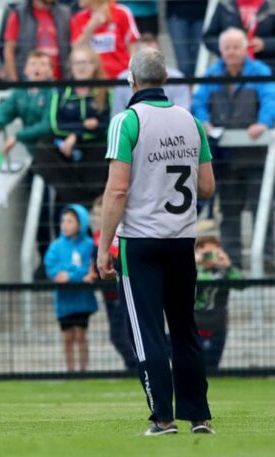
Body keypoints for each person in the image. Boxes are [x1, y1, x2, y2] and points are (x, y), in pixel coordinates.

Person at [97, 47, 216, 435]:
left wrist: (103, 248)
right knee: (184, 327)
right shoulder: (191, 121)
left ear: (132, 80)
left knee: (147, 330)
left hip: (141, 241)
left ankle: (163, 417)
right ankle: (199, 415)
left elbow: (116, 191)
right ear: (165, 79)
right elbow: (207, 186)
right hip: (181, 239)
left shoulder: (127, 120)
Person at [192, 28, 275, 268]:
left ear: (245, 48)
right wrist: (203, 122)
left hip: (255, 156)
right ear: (220, 50)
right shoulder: (211, 75)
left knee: (263, 209)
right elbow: (199, 103)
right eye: (226, 47)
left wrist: (264, 122)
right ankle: (232, 261)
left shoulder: (260, 72)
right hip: (224, 159)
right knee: (229, 212)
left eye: (235, 47)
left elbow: (270, 99)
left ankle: (269, 258)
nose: (231, 52)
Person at [31, 45, 111, 206]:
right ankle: (81, 201)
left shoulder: (103, 91)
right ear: (71, 66)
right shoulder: (61, 91)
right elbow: (55, 124)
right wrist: (81, 128)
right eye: (77, 63)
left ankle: (85, 201)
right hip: (63, 145)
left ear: (94, 66)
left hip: (93, 145)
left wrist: (76, 135)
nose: (81, 67)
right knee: (43, 149)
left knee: (104, 147)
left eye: (85, 62)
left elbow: (105, 124)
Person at [43, 204, 98, 372]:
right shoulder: (56, 246)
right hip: (64, 299)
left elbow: (89, 267)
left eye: (70, 221)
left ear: (81, 224)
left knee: (80, 334)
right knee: (67, 336)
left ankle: (84, 369)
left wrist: (71, 275)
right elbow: (51, 265)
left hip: (82, 299)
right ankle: (70, 369)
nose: (65, 225)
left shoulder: (89, 245)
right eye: (63, 221)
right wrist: (63, 274)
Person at [90, 195, 137, 370]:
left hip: (122, 289)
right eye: (95, 215)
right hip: (108, 293)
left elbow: (119, 257)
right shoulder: (96, 237)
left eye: (101, 214)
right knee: (121, 333)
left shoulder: (118, 235)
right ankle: (133, 364)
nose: (98, 219)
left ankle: (133, 365)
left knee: (119, 334)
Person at [0, 50, 54, 171]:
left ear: (50, 71)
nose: (37, 68)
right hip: (32, 148)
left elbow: (47, 125)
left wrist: (18, 136)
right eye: (33, 64)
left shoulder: (54, 92)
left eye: (42, 64)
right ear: (25, 69)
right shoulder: (20, 92)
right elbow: (5, 111)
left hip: (51, 146)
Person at [112, 33, 191, 116]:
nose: (150, 63)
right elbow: (117, 114)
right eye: (144, 59)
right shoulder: (123, 79)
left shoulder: (177, 78)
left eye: (155, 58)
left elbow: (184, 113)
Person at [194, 235, 242, 370]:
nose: (209, 258)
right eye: (206, 254)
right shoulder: (190, 270)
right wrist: (194, 262)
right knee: (193, 368)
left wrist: (228, 265)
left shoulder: (224, 272)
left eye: (212, 253)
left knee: (213, 369)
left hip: (217, 328)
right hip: (194, 328)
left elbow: (241, 284)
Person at [1, 0, 71, 81]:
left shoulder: (65, 13)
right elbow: (9, 50)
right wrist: (15, 80)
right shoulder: (19, 14)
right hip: (28, 84)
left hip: (61, 82)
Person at [70, 0, 140, 78]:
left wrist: (131, 74)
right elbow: (75, 51)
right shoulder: (79, 18)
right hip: (93, 79)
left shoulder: (121, 12)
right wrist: (90, 28)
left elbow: (133, 48)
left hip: (120, 77)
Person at [203, 0, 275, 70]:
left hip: (267, 66)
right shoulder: (224, 5)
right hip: (228, 69)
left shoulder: (272, 6)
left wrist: (265, 44)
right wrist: (227, 47)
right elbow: (209, 38)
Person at [166, 0, 207, 78]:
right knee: (184, 64)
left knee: (200, 63)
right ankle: (186, 89)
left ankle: (198, 89)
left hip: (202, 13)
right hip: (177, 13)